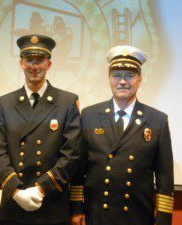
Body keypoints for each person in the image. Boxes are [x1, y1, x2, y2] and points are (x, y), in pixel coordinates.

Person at [70, 46, 174, 225]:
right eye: (117, 75)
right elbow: (79, 168)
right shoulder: (90, 115)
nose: (123, 81)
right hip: (97, 213)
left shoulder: (157, 120)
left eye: (129, 75)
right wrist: (77, 208)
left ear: (140, 79)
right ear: (109, 79)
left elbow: (164, 175)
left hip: (138, 215)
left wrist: (164, 217)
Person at [0, 34, 82, 225]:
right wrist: (17, 192)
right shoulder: (5, 103)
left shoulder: (67, 102)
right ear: (21, 63)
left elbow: (71, 154)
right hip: (14, 205)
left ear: (49, 64)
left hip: (51, 205)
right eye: (29, 61)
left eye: (40, 61)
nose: (34, 67)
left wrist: (41, 189)